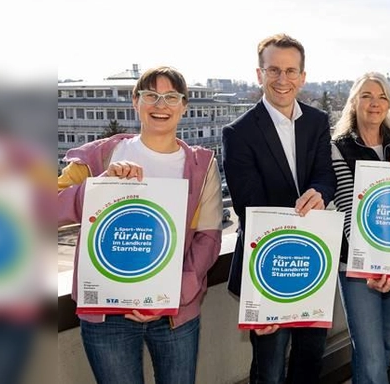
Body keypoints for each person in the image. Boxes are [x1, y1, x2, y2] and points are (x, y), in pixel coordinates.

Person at [57, 66, 223, 384]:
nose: (161, 105)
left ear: (184, 105)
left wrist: (171, 296)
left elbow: (209, 238)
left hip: (176, 311)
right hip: (108, 313)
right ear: (136, 101)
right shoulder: (101, 157)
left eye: (171, 97)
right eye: (151, 96)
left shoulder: (203, 165)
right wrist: (96, 187)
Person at [221, 33, 336, 384]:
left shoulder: (317, 122)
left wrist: (318, 192)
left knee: (310, 359)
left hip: (313, 261)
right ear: (259, 75)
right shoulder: (238, 132)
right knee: (269, 368)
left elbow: (325, 175)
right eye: (273, 70)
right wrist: (301, 215)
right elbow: (247, 202)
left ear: (302, 76)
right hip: (268, 264)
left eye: (291, 71)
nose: (282, 80)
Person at [330, 71, 390, 384]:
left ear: (389, 104)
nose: (374, 103)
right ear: (354, 102)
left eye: (381, 97)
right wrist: (372, 265)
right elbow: (346, 204)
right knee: (371, 354)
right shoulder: (338, 147)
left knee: (383, 344)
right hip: (355, 264)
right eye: (366, 96)